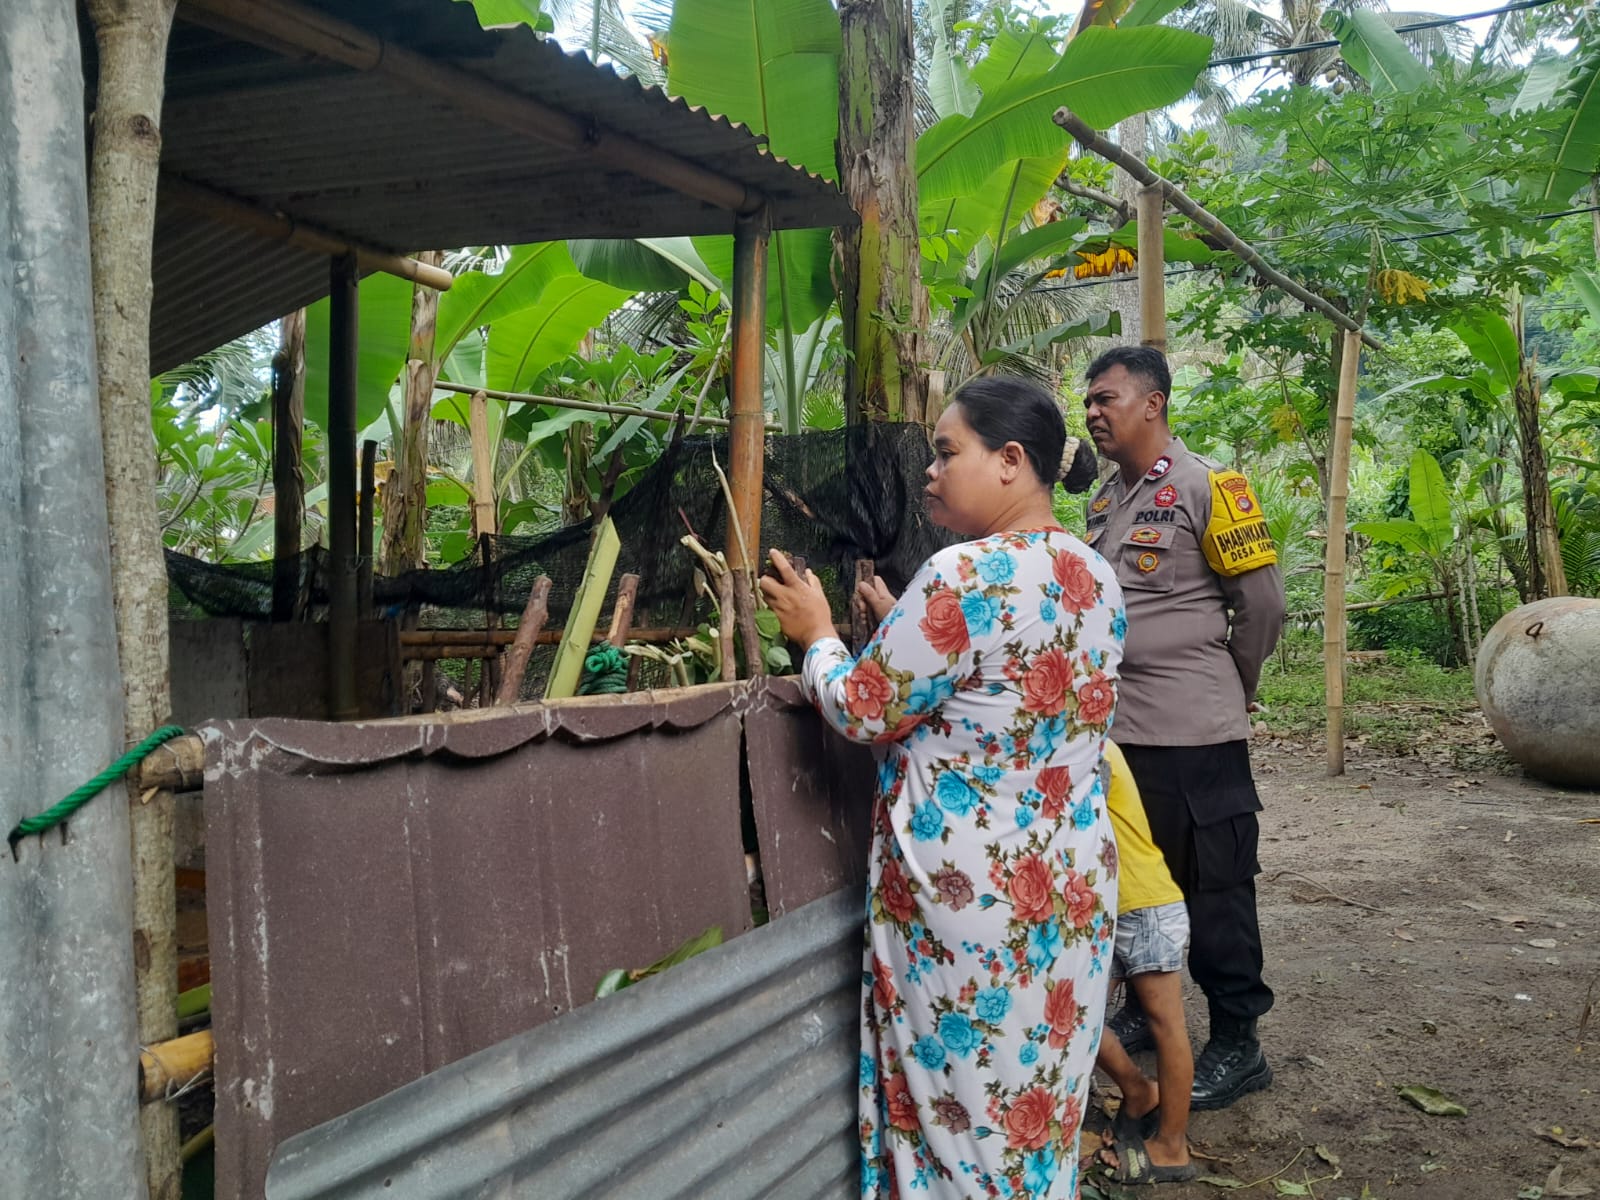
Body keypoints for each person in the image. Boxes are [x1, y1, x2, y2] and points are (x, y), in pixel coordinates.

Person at [761, 375, 1126, 1200]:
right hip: (1066, 889)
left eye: (945, 452)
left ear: (1010, 461)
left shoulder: (961, 575)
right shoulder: (1093, 573)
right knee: (1033, 1107)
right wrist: (905, 620)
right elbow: (1006, 693)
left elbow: (863, 711)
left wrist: (818, 634)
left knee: (958, 1118)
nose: (930, 471)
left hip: (968, 900)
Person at [1079, 345, 1286, 1111]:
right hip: (1120, 737)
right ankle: (1144, 1010)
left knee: (1215, 889)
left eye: (1107, 399)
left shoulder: (1209, 487)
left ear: (1154, 404)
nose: (1094, 413)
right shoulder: (1106, 501)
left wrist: (1235, 685)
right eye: (1089, 401)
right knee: (1137, 883)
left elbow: (1262, 606)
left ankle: (1239, 1040)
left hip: (1195, 736)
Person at [1091, 741, 1196, 1185]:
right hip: (1103, 905)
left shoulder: (1091, 747)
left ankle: (1172, 1146)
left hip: (1142, 903)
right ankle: (1138, 1091)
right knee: (1080, 1019)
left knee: (1165, 1022)